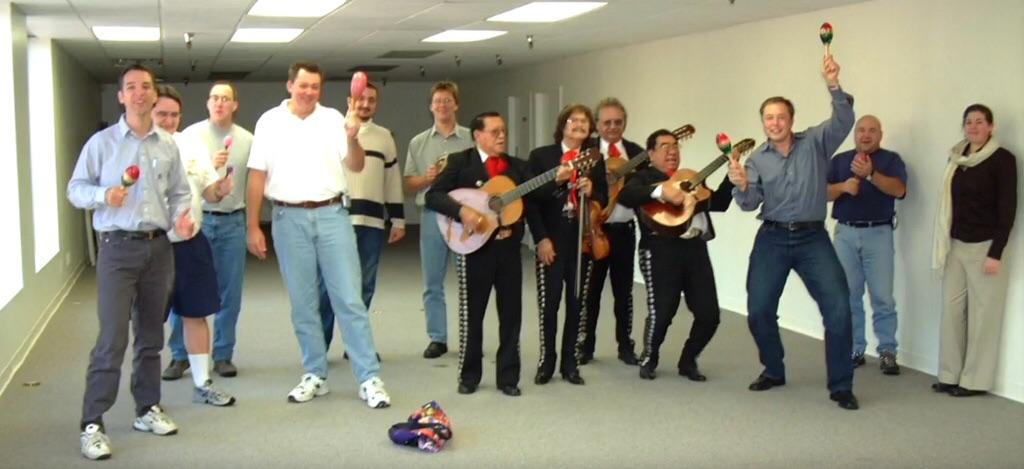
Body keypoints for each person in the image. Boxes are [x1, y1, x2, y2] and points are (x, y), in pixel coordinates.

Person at [246, 61, 390, 408]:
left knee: (349, 299)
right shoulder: (269, 121)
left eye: (315, 86)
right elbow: (256, 175)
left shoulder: (333, 120)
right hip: (287, 218)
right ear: (290, 85)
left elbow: (356, 164)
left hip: (332, 216)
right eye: (303, 85)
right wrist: (252, 226)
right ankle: (314, 373)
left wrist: (352, 137)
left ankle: (368, 378)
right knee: (303, 303)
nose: (309, 92)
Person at [67, 64, 193, 460]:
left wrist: (181, 216)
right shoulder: (102, 144)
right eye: (131, 87)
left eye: (146, 87)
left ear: (154, 95)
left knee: (151, 336)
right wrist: (104, 195)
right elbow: (75, 189)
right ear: (121, 96)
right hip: (117, 249)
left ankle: (146, 408)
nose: (140, 93)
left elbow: (180, 193)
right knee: (112, 339)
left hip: (158, 249)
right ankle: (92, 423)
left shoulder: (167, 144)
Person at [728, 53, 860, 410]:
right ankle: (773, 370)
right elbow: (749, 203)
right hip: (772, 238)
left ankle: (841, 385)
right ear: (763, 122)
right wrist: (741, 185)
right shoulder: (757, 159)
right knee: (759, 310)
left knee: (838, 309)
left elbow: (845, 120)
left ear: (791, 119)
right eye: (768, 118)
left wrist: (833, 84)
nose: (775, 123)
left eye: (780, 116)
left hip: (812, 238)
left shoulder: (816, 141)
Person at [426, 111, 540, 396]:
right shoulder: (460, 162)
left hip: (509, 251)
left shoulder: (518, 166)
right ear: (477, 135)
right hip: (474, 250)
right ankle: (469, 376)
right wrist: (462, 211)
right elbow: (433, 196)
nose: (502, 136)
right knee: (472, 314)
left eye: (504, 131)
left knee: (511, 315)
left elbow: (535, 201)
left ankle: (508, 377)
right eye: (495, 131)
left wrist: (559, 178)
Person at [619, 129, 733, 381]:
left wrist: (731, 177)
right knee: (663, 312)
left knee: (709, 315)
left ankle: (688, 360)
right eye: (664, 146)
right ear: (651, 154)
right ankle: (650, 357)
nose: (672, 151)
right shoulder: (642, 177)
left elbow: (720, 203)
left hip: (695, 249)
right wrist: (660, 192)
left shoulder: (689, 177)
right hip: (660, 250)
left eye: (675, 146)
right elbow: (626, 196)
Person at [151, 85, 237, 407]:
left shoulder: (191, 144)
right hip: (153, 247)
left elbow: (208, 192)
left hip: (191, 244)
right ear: (149, 112)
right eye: (162, 114)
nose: (169, 120)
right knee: (148, 321)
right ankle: (147, 396)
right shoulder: (137, 148)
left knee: (196, 314)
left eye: (174, 115)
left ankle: (203, 384)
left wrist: (220, 189)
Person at [163, 81, 254, 380]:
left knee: (230, 293)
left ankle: (223, 354)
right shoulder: (190, 137)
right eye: (214, 97)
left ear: (235, 105)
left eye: (225, 98)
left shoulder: (247, 140)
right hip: (194, 226)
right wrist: (211, 169)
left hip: (232, 221)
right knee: (184, 291)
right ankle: (180, 355)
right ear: (207, 102)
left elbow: (254, 181)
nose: (219, 103)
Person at [931, 103, 1017, 397]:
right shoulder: (957, 158)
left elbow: (1008, 209)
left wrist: (997, 252)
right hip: (956, 244)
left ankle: (974, 381)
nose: (974, 127)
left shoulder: (1003, 159)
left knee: (983, 316)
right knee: (951, 311)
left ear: (991, 127)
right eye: (969, 122)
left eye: (980, 122)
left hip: (985, 246)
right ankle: (949, 375)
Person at [319, 81, 405, 348]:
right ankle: (320, 344)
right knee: (328, 284)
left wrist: (398, 219)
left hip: (372, 223)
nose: (366, 104)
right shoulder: (332, 131)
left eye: (372, 100)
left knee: (365, 285)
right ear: (350, 100)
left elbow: (392, 179)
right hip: (336, 219)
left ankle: (355, 345)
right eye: (361, 98)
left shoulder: (384, 137)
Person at [527, 103, 608, 386]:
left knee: (577, 304)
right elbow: (531, 201)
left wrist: (592, 190)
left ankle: (570, 364)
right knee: (549, 305)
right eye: (574, 120)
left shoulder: (595, 158)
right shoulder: (541, 156)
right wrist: (541, 239)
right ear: (563, 125)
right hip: (551, 239)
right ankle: (546, 362)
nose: (580, 125)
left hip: (582, 240)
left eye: (585, 121)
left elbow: (604, 198)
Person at [826, 115, 907, 375]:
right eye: (861, 130)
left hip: (878, 234)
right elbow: (821, 192)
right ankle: (854, 349)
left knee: (882, 297)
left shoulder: (891, 160)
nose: (866, 135)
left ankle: (887, 351)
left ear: (880, 135)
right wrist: (843, 187)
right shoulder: (840, 161)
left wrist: (871, 174)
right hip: (845, 234)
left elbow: (899, 190)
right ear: (855, 134)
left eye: (872, 130)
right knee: (848, 295)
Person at [404, 81, 474, 359]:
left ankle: (470, 336)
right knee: (432, 282)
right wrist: (427, 178)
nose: (442, 106)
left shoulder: (471, 139)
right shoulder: (418, 142)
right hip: (432, 217)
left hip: (464, 216)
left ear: (456, 104)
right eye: (438, 101)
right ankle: (437, 338)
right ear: (430, 106)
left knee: (470, 280)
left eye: (447, 100)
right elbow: (409, 183)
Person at [579, 97, 644, 366]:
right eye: (607, 122)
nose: (612, 127)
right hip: (594, 231)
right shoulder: (587, 152)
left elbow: (646, 187)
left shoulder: (636, 153)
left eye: (618, 122)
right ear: (597, 125)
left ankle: (625, 345)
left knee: (623, 292)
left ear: (624, 123)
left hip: (624, 231)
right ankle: (586, 346)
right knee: (590, 292)